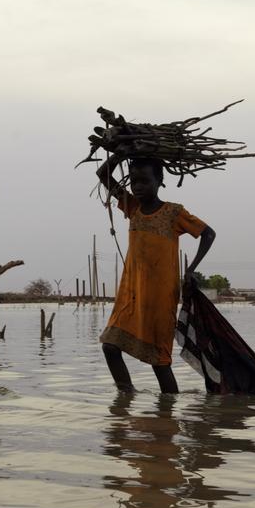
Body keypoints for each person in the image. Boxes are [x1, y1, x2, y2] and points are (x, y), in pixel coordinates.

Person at [96, 150, 215, 393]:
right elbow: (103, 174)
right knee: (110, 345)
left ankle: (166, 416)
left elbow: (208, 233)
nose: (138, 187)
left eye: (145, 181)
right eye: (134, 181)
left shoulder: (173, 212)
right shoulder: (132, 207)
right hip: (131, 293)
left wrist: (190, 269)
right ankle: (126, 397)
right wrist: (119, 152)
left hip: (161, 295)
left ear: (160, 181)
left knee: (158, 361)